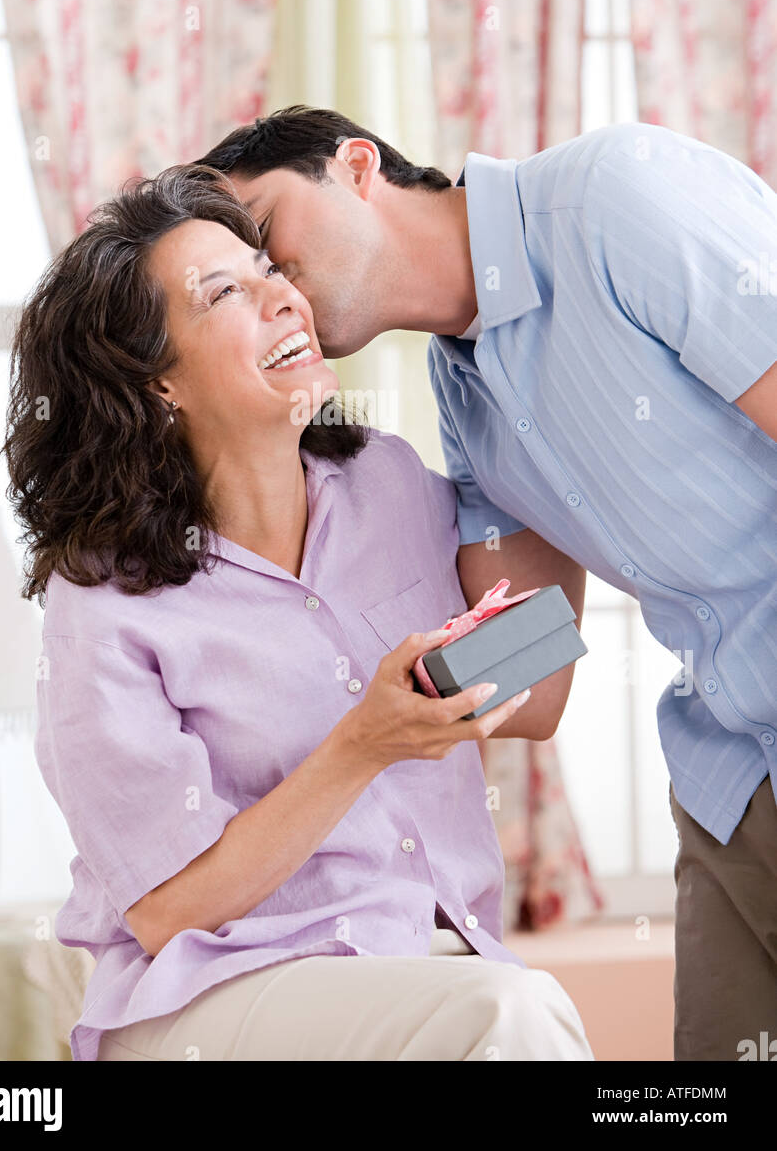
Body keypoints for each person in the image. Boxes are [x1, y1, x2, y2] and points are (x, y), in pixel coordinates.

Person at [195, 106, 777, 1062]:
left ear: (354, 165)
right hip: (731, 780)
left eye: (263, 237)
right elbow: (534, 678)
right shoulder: (465, 404)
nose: (270, 287)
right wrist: (338, 671)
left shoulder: (616, 199)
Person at [2, 163, 593, 1062]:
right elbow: (167, 906)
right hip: (213, 992)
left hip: (424, 972)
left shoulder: (387, 482)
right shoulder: (102, 600)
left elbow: (537, 690)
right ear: (157, 383)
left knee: (511, 1011)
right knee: (511, 1015)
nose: (282, 297)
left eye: (268, 270)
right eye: (223, 293)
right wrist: (364, 744)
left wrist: (544, 403)